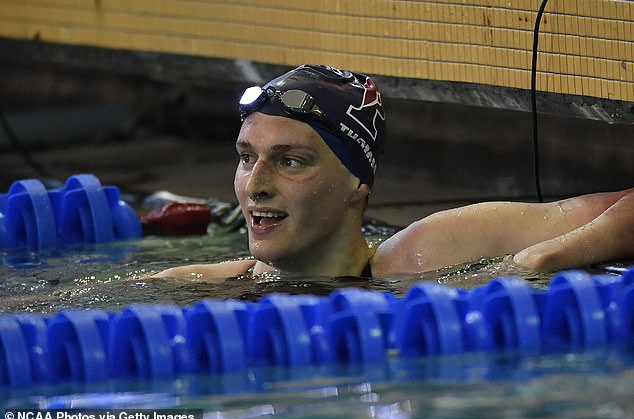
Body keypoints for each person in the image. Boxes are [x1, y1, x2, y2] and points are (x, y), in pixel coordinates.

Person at [154, 64, 634, 280]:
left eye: (289, 161)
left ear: (356, 184)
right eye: (245, 157)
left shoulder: (424, 253)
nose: (255, 186)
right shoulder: (202, 286)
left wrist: (541, 258)